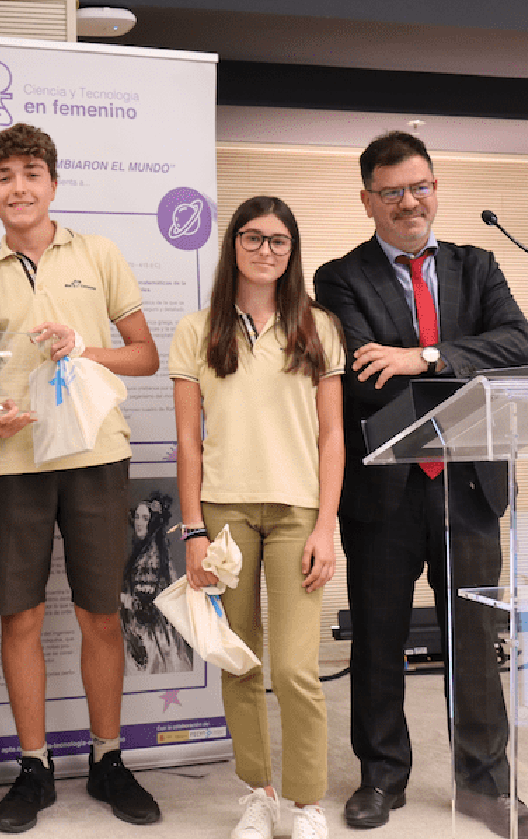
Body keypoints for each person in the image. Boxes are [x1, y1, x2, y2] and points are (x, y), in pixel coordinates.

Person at [314, 131, 528, 836]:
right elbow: (364, 372)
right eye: (394, 191)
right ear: (369, 199)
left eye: (422, 186)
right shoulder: (339, 277)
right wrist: (432, 365)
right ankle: (381, 776)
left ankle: (485, 779)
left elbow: (518, 342)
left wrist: (425, 355)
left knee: (474, 634)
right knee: (378, 634)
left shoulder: (478, 264)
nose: (411, 202)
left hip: (468, 485)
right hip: (386, 489)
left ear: (437, 187)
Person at [0, 122, 161, 833]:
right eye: (4, 176)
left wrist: (86, 348)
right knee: (22, 613)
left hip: (97, 455)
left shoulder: (98, 254)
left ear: (52, 182)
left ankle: (108, 757)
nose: (19, 187)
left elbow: (145, 356)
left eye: (31, 172)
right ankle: (34, 765)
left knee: (101, 612)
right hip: (12, 463)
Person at [173, 196, 344, 839]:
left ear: (292, 250)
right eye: (253, 238)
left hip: (299, 512)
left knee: (295, 667)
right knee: (239, 660)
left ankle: (304, 803)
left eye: (278, 240)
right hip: (224, 515)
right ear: (233, 246)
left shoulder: (319, 327)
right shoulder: (198, 329)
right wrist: (192, 530)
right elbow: (188, 441)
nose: (266, 250)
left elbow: (331, 438)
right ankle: (258, 793)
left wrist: (327, 525)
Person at [120, 492, 193, 676]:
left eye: (145, 518)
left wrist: (123, 599)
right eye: (137, 517)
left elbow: (146, 603)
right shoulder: (150, 551)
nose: (139, 522)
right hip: (144, 627)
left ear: (153, 523)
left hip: (150, 630)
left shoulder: (151, 556)